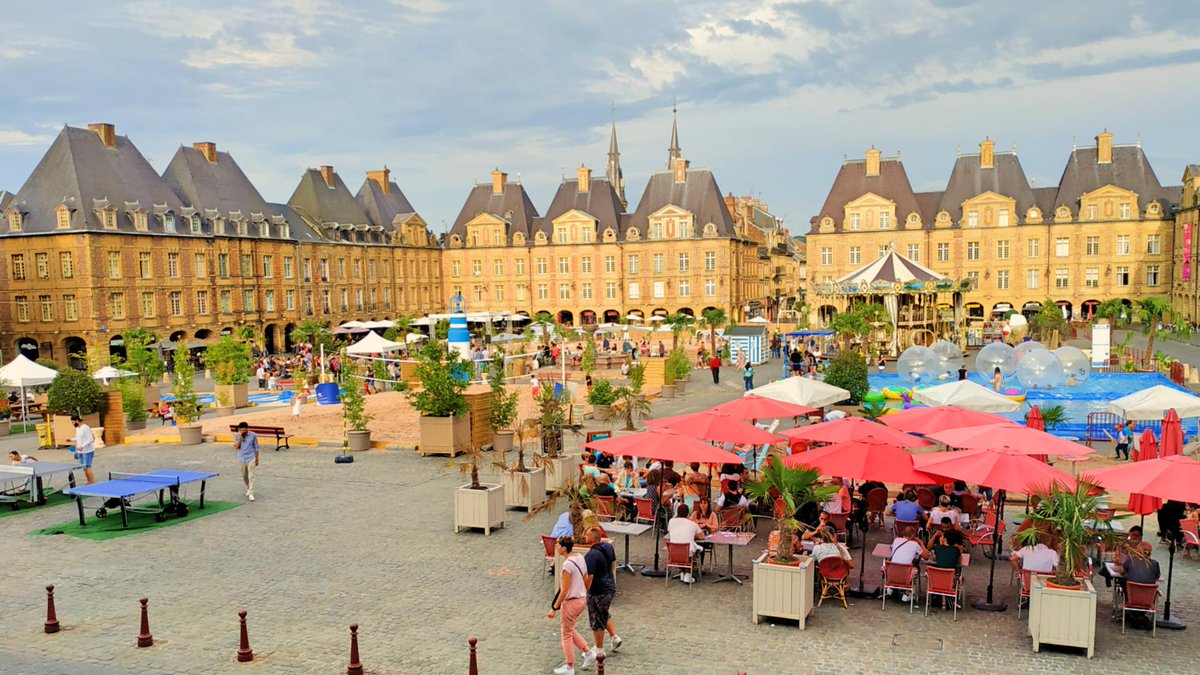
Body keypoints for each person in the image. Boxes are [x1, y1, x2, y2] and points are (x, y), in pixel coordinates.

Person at [548, 535, 596, 674]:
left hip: (571, 602)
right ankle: (587, 652)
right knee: (568, 628)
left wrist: (554, 608)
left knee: (566, 634)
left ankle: (569, 666)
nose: (555, 547)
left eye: (557, 545)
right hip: (581, 599)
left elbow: (564, 590)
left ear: (563, 548)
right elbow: (587, 578)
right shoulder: (580, 557)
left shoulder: (567, 565)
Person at [583, 527, 623, 659]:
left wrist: (585, 591)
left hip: (598, 591)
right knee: (603, 613)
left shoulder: (591, 556)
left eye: (586, 535)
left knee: (596, 620)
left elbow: (589, 577)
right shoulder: (608, 547)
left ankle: (599, 648)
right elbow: (613, 563)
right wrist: (609, 577)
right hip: (609, 587)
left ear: (593, 538)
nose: (584, 537)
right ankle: (613, 636)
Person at [666, 504, 706, 583]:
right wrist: (692, 534)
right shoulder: (693, 524)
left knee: (682, 547)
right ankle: (687, 574)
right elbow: (702, 537)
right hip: (687, 553)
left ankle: (681, 572)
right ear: (688, 513)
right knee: (694, 550)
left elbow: (671, 532)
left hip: (673, 553)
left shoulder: (671, 521)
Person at [234, 421, 260, 502]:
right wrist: (240, 438)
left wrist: (257, 459)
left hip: (251, 457)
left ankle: (251, 493)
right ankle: (249, 488)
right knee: (244, 475)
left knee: (251, 476)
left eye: (244, 430)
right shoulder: (237, 436)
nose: (243, 432)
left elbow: (256, 447)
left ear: (247, 429)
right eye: (241, 430)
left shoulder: (253, 435)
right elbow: (236, 447)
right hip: (242, 458)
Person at [70, 415, 97, 485]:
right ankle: (89, 481)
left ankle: (91, 482)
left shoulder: (85, 428)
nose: (72, 424)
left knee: (87, 466)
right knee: (84, 467)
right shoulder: (78, 428)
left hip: (87, 451)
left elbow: (91, 439)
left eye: (72, 422)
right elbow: (79, 438)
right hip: (80, 451)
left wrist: (82, 446)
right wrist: (70, 440)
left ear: (76, 421)